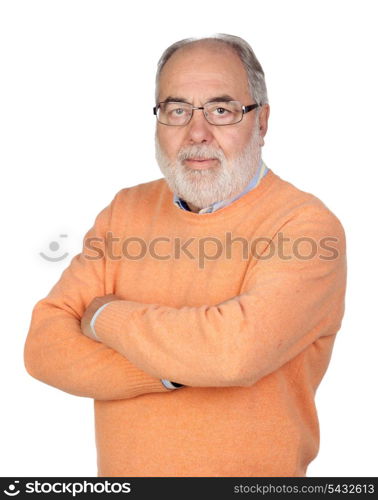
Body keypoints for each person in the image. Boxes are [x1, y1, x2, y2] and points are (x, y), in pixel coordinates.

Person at [24, 34, 347, 477]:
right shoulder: (126, 210)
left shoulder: (306, 228)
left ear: (262, 121)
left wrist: (104, 318)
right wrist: (168, 372)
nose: (197, 133)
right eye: (177, 110)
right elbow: (44, 348)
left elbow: (233, 353)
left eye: (221, 109)